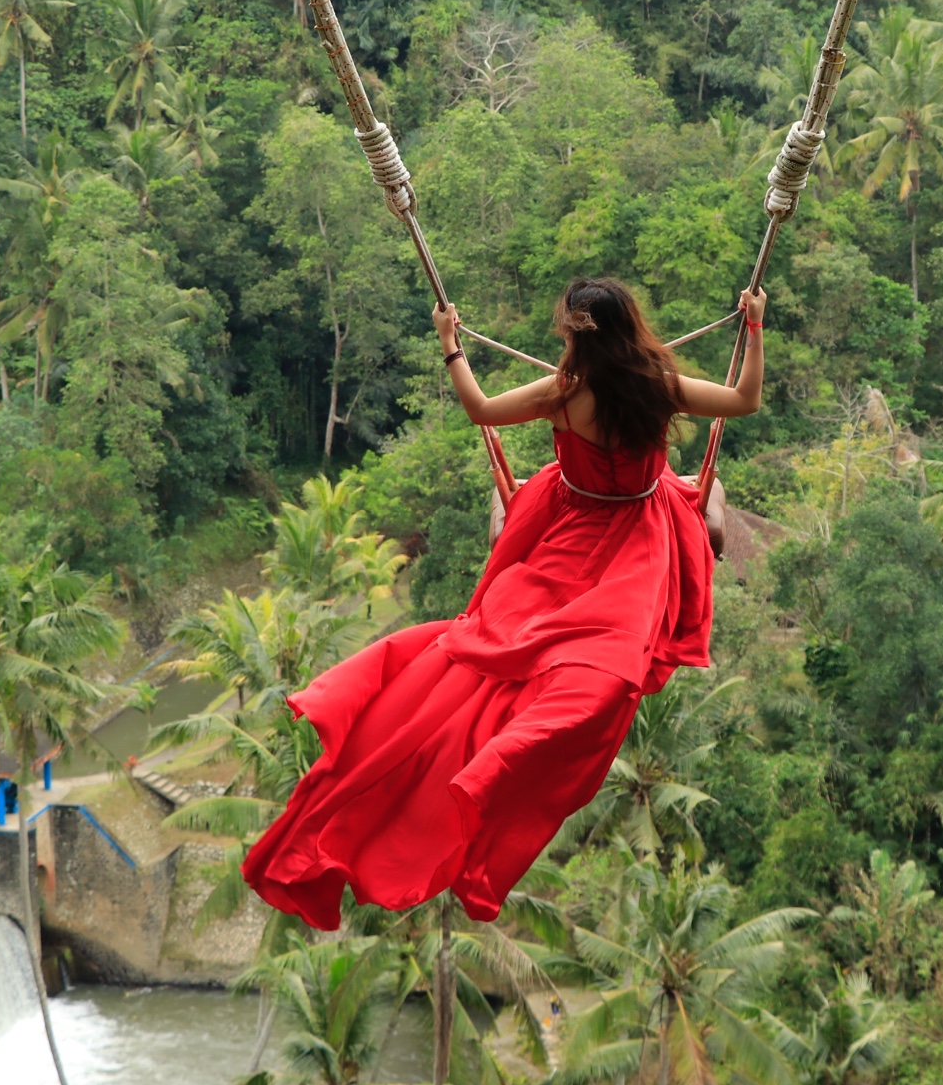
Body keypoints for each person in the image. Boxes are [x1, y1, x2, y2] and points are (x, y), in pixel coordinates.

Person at [243, 277, 766, 929]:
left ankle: (493, 754)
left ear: (575, 336)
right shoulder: (657, 385)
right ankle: (499, 757)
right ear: (632, 325)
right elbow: (744, 398)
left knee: (502, 645)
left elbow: (482, 410)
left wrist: (450, 346)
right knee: (588, 670)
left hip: (571, 526)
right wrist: (753, 328)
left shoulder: (562, 394)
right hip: (635, 536)